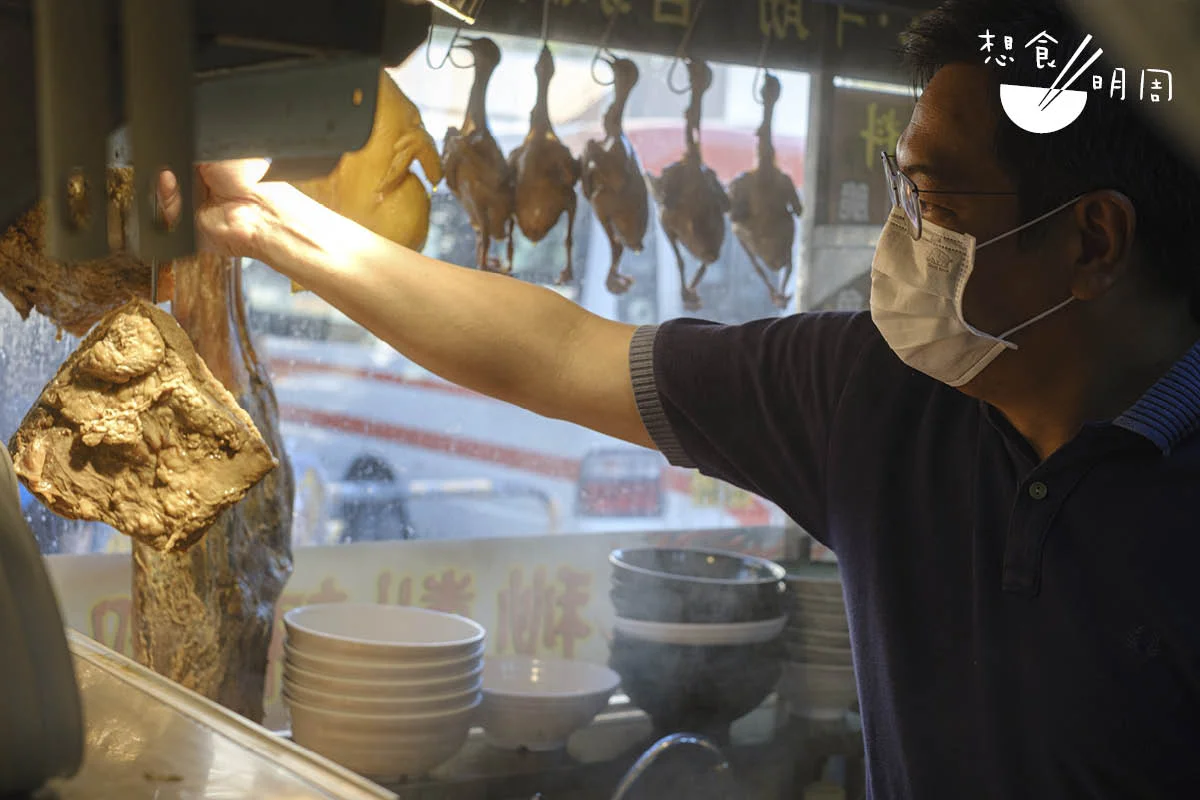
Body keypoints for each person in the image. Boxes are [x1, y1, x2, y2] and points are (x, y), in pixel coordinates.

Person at [184, 0, 1200, 795]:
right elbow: (554, 350)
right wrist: (269, 225)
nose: (901, 234)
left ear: (1092, 241)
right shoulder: (874, 395)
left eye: (930, 200)